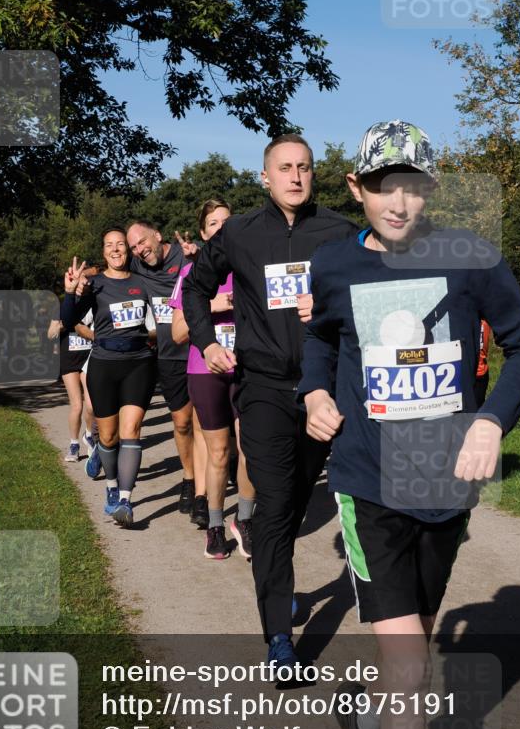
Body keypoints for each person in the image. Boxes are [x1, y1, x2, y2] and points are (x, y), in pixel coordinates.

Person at [299, 120, 520, 729]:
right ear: (356, 188)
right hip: (366, 483)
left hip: (443, 488)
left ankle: (362, 724)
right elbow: (319, 338)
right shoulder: (333, 264)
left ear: (431, 189)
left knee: (410, 658)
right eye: (384, 187)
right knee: (410, 667)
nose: (399, 203)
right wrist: (315, 390)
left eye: (412, 187)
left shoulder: (472, 258)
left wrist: (493, 420)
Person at [182, 134, 359, 668]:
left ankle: (278, 593)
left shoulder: (340, 234)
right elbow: (194, 288)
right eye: (284, 168)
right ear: (265, 177)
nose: (296, 176)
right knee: (277, 506)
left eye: (304, 167)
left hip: (320, 391)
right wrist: (207, 341)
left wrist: (332, 302)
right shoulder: (239, 233)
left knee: (299, 497)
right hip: (260, 388)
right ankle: (278, 634)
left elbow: (373, 294)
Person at [170, 198, 256, 560]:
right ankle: (216, 525)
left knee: (250, 446)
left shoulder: (250, 267)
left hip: (249, 367)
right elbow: (176, 334)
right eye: (213, 224)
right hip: (206, 371)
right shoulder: (191, 275)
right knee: (219, 452)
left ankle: (246, 520)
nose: (221, 228)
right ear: (204, 235)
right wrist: (215, 306)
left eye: (227, 221)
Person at [61, 227, 157, 527]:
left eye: (120, 245)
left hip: (139, 363)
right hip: (104, 365)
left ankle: (126, 500)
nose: (116, 249)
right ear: (103, 252)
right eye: (109, 245)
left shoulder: (143, 282)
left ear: (127, 251)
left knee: (132, 432)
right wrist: (70, 292)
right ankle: (112, 487)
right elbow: (67, 320)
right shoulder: (95, 285)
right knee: (108, 436)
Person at [125, 220, 206, 519]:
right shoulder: (137, 268)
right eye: (133, 247)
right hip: (170, 355)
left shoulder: (185, 254)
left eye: (142, 242)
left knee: (206, 422)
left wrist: (199, 256)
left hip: (201, 349)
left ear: (157, 236)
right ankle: (190, 477)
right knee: (182, 422)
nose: (139, 250)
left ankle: (207, 486)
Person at [48, 310, 94, 461]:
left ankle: (88, 435)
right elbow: (50, 334)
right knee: (77, 406)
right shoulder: (64, 307)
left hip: (89, 358)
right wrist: (63, 325)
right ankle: (74, 445)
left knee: (91, 405)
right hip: (69, 360)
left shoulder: (95, 303)